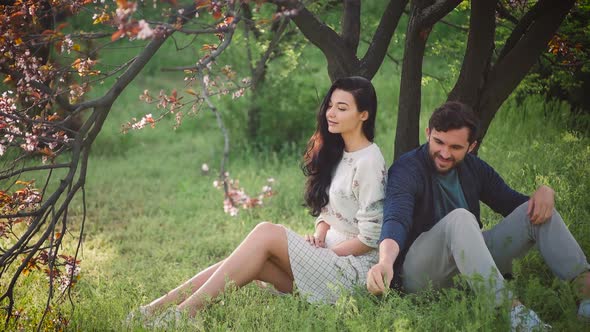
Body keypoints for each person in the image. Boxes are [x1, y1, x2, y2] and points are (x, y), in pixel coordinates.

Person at [130, 76, 387, 324]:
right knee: (242, 262)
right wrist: (319, 235)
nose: (331, 113)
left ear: (364, 115)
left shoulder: (370, 162)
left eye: (342, 108)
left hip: (352, 272)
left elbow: (370, 238)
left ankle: (184, 314)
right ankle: (153, 310)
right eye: (330, 105)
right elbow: (330, 212)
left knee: (266, 232)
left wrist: (326, 251)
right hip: (327, 257)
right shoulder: (338, 151)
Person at [366, 101, 590, 330]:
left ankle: (587, 296)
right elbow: (396, 218)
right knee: (460, 217)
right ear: (428, 133)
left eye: (455, 147)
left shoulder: (474, 169)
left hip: (468, 267)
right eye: (438, 142)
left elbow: (513, 204)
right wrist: (385, 261)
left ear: (471, 146)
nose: (444, 153)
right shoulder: (408, 168)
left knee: (539, 211)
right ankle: (516, 316)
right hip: (421, 274)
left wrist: (545, 192)